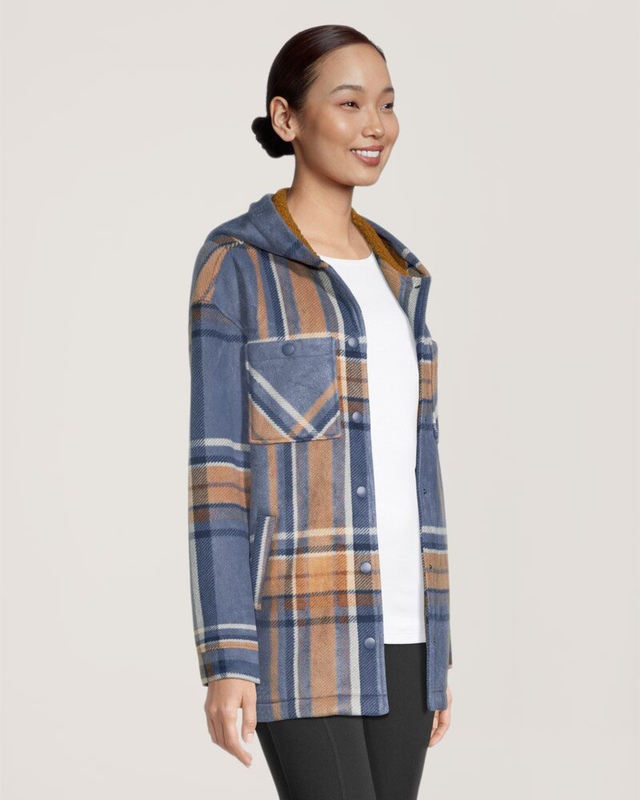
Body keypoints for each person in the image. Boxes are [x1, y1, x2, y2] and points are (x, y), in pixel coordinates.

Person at [187, 23, 453, 800]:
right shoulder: (237, 266)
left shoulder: (402, 276)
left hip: (407, 632)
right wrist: (228, 657)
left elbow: (415, 470)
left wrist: (438, 648)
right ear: (287, 118)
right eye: (350, 103)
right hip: (299, 629)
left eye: (387, 104)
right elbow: (217, 474)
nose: (376, 126)